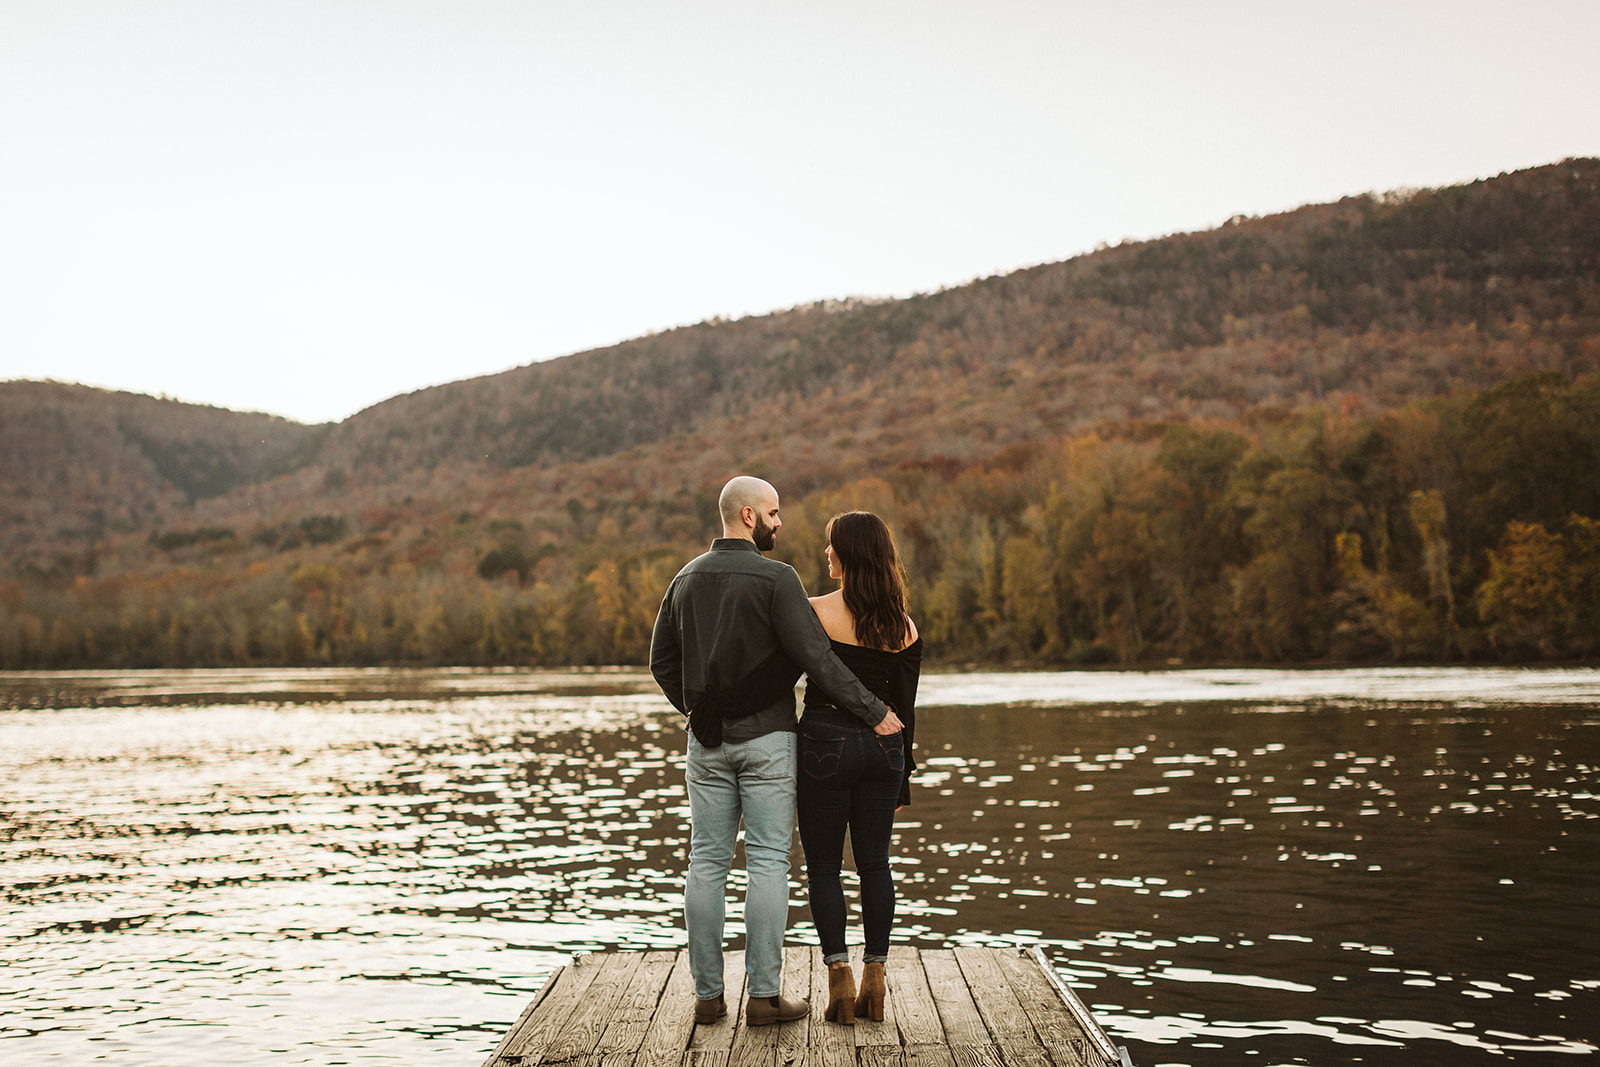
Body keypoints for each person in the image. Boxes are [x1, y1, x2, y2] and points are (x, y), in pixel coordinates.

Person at [650, 477, 904, 1027]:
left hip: (706, 744)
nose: (779, 522)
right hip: (768, 741)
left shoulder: (686, 578)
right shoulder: (777, 578)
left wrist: (697, 712)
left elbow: (661, 661)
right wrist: (874, 711)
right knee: (767, 860)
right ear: (748, 516)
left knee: (707, 862)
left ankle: (708, 998)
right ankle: (764, 999)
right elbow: (819, 659)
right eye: (773, 513)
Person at [796, 510, 923, 1025]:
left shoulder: (813, 612)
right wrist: (904, 776)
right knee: (875, 864)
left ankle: (839, 980)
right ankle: (877, 976)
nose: (826, 553)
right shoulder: (905, 627)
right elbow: (906, 711)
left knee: (824, 867)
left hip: (824, 742)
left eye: (831, 545)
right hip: (884, 752)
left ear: (848, 553)